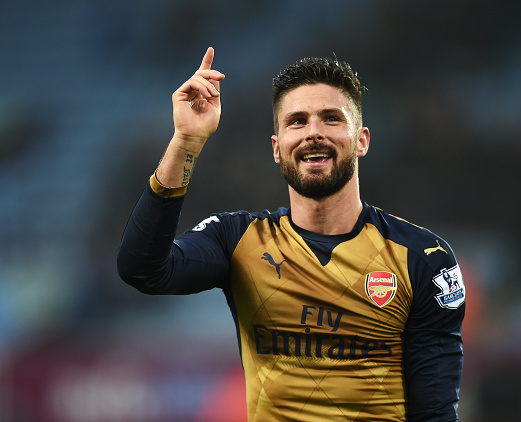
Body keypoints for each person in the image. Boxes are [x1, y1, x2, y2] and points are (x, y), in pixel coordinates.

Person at [117, 46, 465, 421]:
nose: (313, 133)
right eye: (296, 122)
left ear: (362, 140)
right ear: (277, 148)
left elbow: (435, 413)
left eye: (331, 118)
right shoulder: (238, 241)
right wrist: (186, 141)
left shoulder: (423, 258)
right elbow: (142, 269)